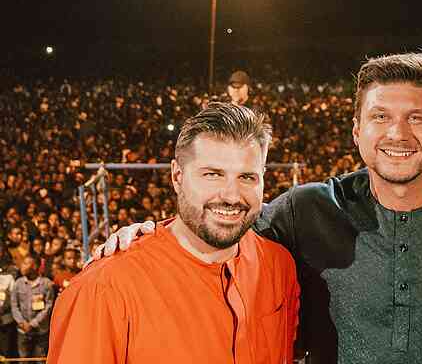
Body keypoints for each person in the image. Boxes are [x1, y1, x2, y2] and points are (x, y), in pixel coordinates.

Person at [95, 53, 422, 363]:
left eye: (417, 118)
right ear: (356, 129)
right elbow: (223, 228)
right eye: (381, 116)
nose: (398, 133)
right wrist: (154, 232)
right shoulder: (305, 209)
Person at [48, 103, 300, 363]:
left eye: (247, 177)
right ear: (177, 176)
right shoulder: (104, 288)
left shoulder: (279, 266)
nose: (232, 195)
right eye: (213, 174)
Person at [11, 256, 54, 363]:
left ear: (35, 266)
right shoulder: (18, 283)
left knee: (40, 359)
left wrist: (33, 323)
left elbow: (48, 306)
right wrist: (22, 323)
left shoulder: (46, 284)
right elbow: (14, 305)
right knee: (24, 359)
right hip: (23, 331)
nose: (22, 266)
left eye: (26, 263)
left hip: (40, 331)